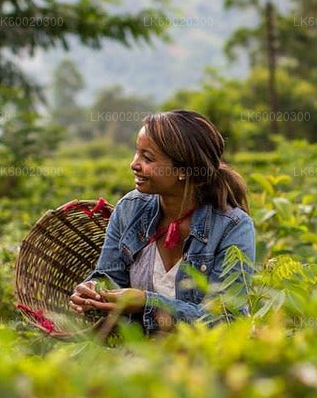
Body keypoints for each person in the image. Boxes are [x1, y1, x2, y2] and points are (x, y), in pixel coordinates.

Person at [69, 109, 256, 333]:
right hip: (136, 357)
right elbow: (109, 275)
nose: (134, 164)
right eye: (137, 153)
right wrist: (93, 292)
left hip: (205, 359)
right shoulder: (130, 208)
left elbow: (226, 319)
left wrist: (148, 303)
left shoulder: (232, 227)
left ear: (184, 171)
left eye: (147, 158)